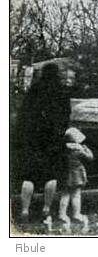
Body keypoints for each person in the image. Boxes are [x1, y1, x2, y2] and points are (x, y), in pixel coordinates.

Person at [15, 62, 72, 227]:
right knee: (51, 176)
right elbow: (64, 119)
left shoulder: (33, 90)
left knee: (29, 176)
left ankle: (24, 210)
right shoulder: (62, 93)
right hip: (52, 141)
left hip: (32, 140)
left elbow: (23, 116)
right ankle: (46, 209)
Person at [56, 127, 93, 232]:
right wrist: (86, 149)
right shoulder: (79, 149)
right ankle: (76, 214)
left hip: (66, 174)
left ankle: (62, 214)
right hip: (77, 175)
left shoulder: (64, 148)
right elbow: (90, 157)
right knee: (76, 195)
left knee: (65, 194)